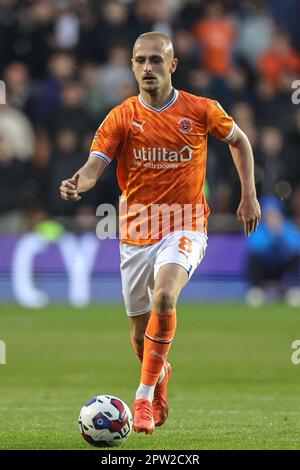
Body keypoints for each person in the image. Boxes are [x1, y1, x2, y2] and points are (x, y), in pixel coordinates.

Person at [60, 32, 261, 435]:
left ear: (173, 65)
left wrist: (249, 194)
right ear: (132, 66)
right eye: (140, 61)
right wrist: (76, 183)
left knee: (165, 295)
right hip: (135, 233)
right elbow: (93, 166)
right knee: (139, 334)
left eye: (156, 60)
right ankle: (159, 376)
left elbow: (239, 142)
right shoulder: (121, 116)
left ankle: (143, 398)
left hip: (186, 224)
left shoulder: (201, 110)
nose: (147, 68)